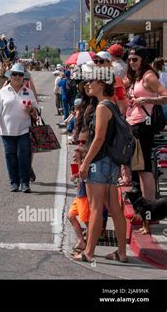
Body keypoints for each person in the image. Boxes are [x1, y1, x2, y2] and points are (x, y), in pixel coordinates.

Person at [75, 64, 128, 263]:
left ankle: (88, 252)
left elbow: (98, 139)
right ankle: (121, 252)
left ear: (101, 83)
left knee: (96, 207)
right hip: (112, 162)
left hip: (99, 161)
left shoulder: (101, 107)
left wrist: (85, 163)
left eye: (91, 81)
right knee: (114, 208)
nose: (87, 84)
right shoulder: (112, 104)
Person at [125, 48, 167, 233]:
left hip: (144, 125)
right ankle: (145, 214)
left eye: (135, 59)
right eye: (129, 59)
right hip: (135, 124)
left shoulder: (149, 76)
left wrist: (144, 100)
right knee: (139, 169)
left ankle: (149, 215)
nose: (131, 62)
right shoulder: (136, 76)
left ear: (143, 60)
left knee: (144, 170)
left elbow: (165, 96)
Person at [0, 63, 40, 193]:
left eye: (20, 75)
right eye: (15, 74)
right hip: (7, 130)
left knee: (24, 156)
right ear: (10, 76)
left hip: (24, 129)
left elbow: (38, 110)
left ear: (23, 77)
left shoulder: (28, 92)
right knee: (10, 156)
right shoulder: (3, 91)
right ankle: (14, 182)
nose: (17, 77)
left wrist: (31, 109)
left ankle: (25, 183)